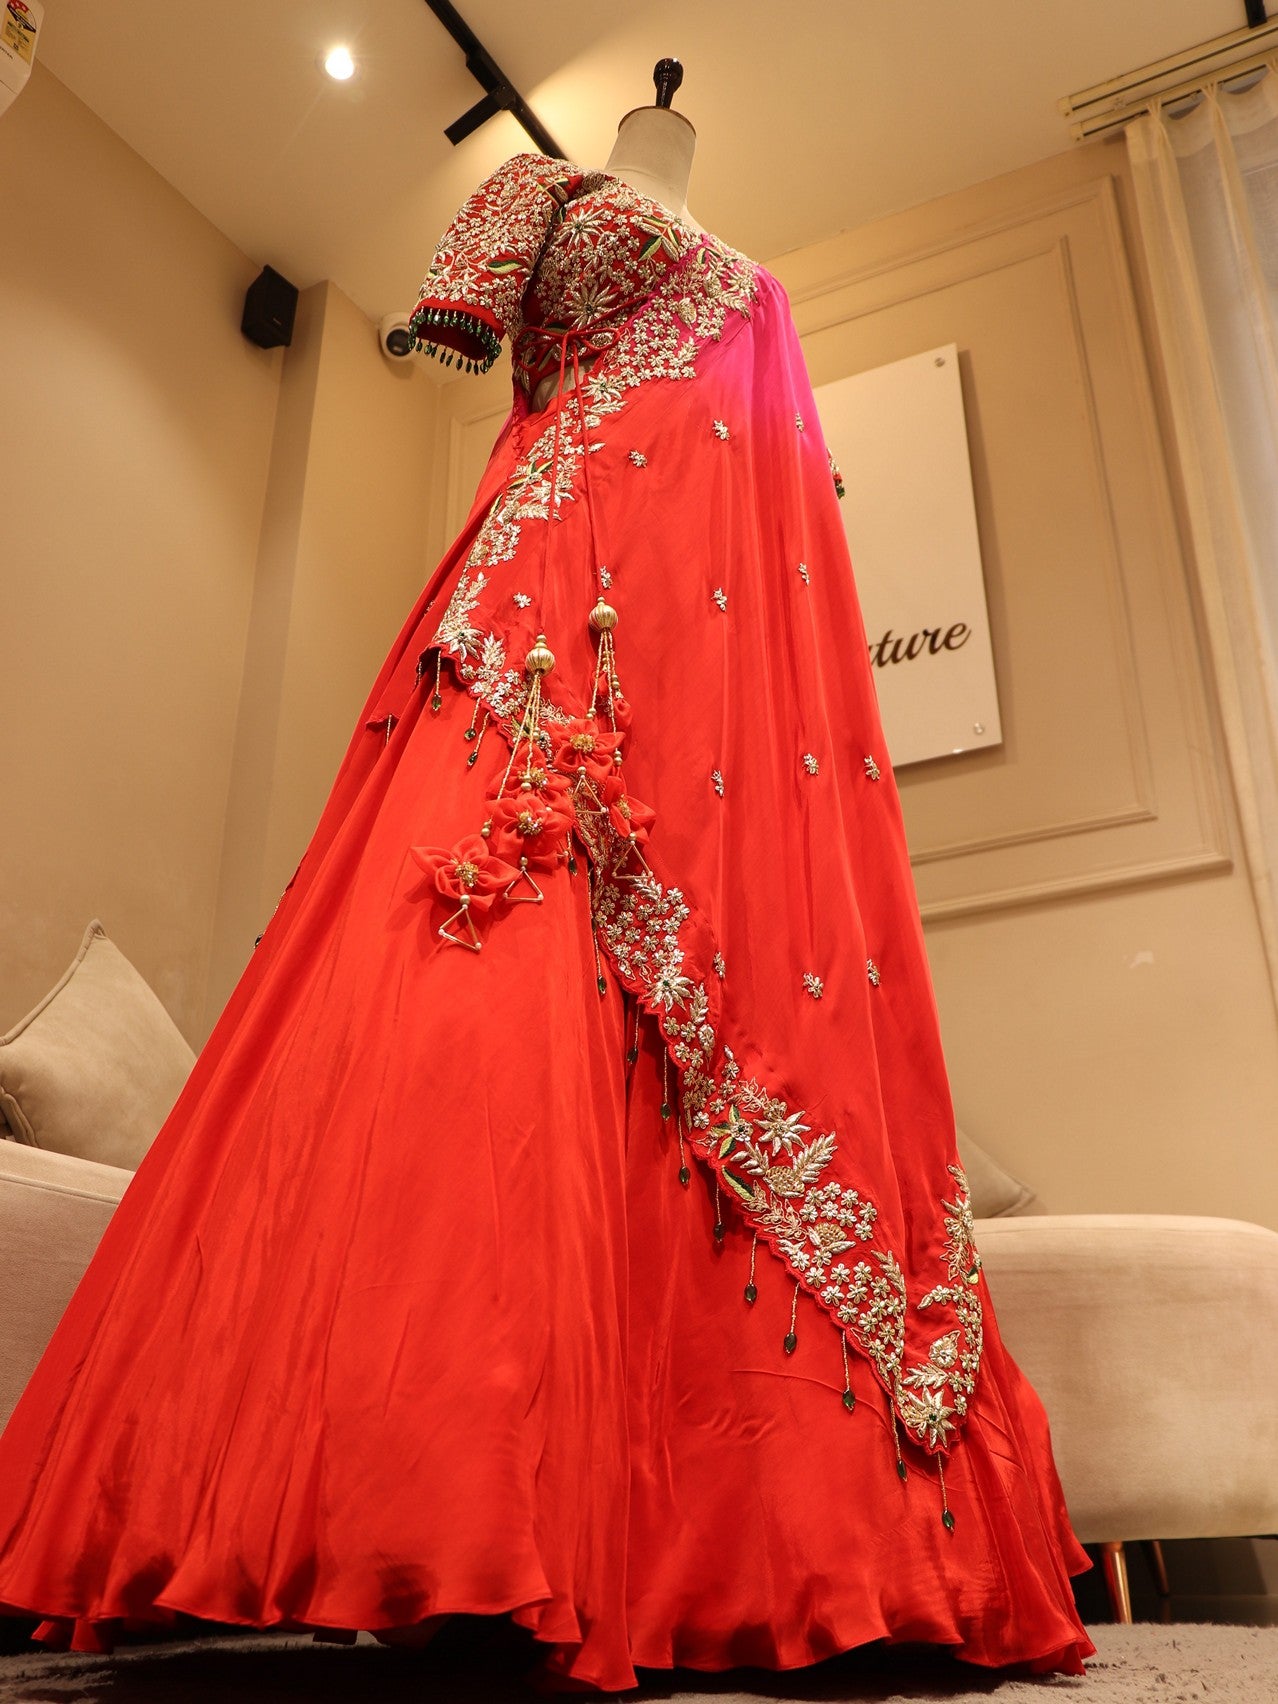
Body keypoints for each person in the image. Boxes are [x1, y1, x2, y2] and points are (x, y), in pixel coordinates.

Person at [0, 94, 1095, 1690]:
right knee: (486, 981)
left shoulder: (751, 297)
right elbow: (454, 319)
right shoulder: (541, 183)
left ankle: (728, 1540)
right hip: (557, 589)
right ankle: (428, 1512)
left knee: (697, 1014)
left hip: (709, 638)